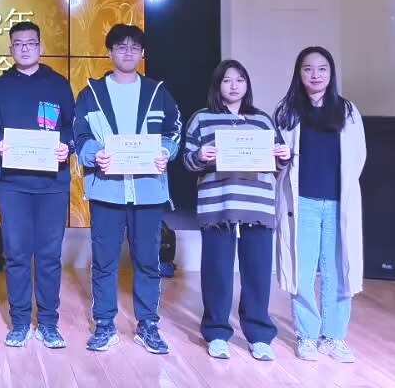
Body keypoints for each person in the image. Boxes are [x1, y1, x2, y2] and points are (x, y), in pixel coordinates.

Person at [73, 23, 181, 355]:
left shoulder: (157, 92)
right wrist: (94, 154)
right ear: (109, 52)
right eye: (121, 46)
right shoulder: (91, 93)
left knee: (148, 260)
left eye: (135, 47)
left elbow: (174, 130)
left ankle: (147, 324)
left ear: (142, 53)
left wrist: (166, 151)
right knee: (104, 260)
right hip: (106, 190)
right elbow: (80, 135)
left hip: (147, 190)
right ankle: (104, 324)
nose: (128, 52)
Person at [182, 60, 290, 361]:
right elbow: (187, 159)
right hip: (218, 205)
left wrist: (283, 155)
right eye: (227, 80)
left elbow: (277, 160)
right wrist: (200, 155)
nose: (234, 85)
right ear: (217, 85)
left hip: (257, 205)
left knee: (257, 272)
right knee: (217, 272)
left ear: (247, 85)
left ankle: (259, 335)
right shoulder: (202, 119)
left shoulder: (262, 120)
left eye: (240, 80)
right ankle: (217, 332)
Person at [0, 21, 74, 349]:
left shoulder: (58, 85)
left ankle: (48, 322)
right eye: (18, 44)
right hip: (12, 184)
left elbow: (73, 127)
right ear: (11, 49)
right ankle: (20, 321)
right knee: (17, 253)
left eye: (30, 43)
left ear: (40, 47)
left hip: (52, 183)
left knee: (49, 255)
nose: (24, 48)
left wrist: (67, 145)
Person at [274, 46, 366, 363]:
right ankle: (307, 336)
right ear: (299, 73)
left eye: (322, 68)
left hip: (339, 204)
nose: (315, 75)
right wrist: (280, 159)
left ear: (331, 73)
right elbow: (276, 159)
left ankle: (333, 337)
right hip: (302, 204)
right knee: (301, 272)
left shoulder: (347, 110)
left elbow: (358, 157)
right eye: (308, 69)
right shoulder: (287, 110)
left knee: (338, 271)